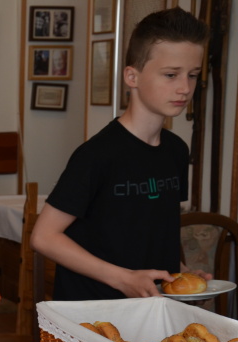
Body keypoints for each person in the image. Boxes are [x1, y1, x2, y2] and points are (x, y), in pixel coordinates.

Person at [31, 7, 209, 301]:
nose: (184, 88)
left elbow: (151, 236)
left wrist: (182, 275)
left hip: (151, 308)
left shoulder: (177, 150)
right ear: (132, 76)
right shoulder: (97, 154)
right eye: (170, 75)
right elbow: (44, 237)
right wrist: (124, 279)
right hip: (93, 313)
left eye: (192, 75)